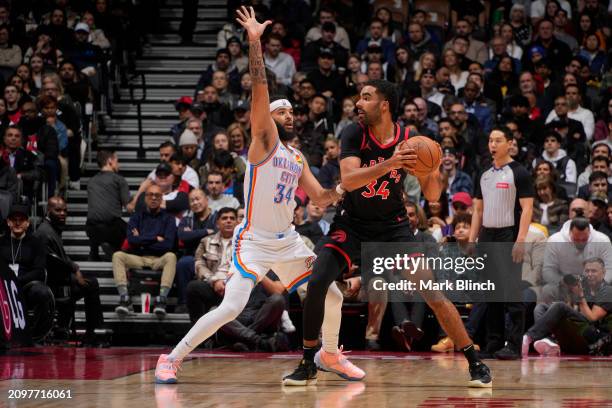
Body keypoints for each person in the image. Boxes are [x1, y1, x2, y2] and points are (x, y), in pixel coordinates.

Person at [154, 7, 343, 385]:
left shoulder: (297, 155)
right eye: (281, 110)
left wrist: (345, 187)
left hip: (287, 240)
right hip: (253, 241)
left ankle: (330, 354)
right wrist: (254, 43)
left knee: (333, 295)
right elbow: (260, 87)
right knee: (232, 306)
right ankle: (171, 358)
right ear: (266, 119)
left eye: (292, 111)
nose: (289, 114)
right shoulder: (262, 144)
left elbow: (321, 198)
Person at [285, 77, 492, 386]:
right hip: (351, 223)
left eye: (365, 97)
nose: (358, 102)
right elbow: (350, 179)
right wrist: (391, 162)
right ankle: (308, 361)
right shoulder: (355, 132)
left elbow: (433, 196)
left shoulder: (410, 140)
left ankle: (474, 362)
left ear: (384, 105)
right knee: (317, 282)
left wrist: (429, 169)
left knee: (431, 291)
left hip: (393, 228)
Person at [469, 127, 535, 360]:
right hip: (487, 235)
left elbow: (527, 208)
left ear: (510, 143)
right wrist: (471, 239)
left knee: (510, 292)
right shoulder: (484, 173)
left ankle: (514, 346)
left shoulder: (520, 172)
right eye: (490, 140)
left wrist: (520, 240)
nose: (493, 144)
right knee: (491, 293)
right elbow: (478, 210)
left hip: (509, 234)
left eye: (498, 140)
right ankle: (493, 343)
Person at [35, 197, 104, 344]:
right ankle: (93, 332)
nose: (63, 213)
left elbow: (61, 257)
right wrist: (73, 269)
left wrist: (75, 268)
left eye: (65, 210)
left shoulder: (51, 228)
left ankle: (92, 331)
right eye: (58, 210)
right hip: (55, 285)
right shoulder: (45, 232)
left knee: (91, 283)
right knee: (92, 284)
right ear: (48, 211)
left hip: (60, 279)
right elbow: (53, 261)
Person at [522, 258, 612, 357]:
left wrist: (580, 297)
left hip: (597, 339)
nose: (589, 274)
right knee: (541, 307)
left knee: (559, 306)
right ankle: (546, 341)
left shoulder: (607, 291)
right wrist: (570, 295)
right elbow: (573, 314)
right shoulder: (585, 288)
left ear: (603, 273)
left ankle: (528, 337)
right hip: (580, 332)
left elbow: (592, 318)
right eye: (587, 271)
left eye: (593, 271)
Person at [0, 205, 53, 341]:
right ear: (8, 222)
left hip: (26, 286)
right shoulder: (1, 242)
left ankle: (35, 335)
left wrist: (19, 280)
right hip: (4, 289)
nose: (18, 223)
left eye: (21, 220)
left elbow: (39, 270)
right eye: (14, 219)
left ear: (28, 223)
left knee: (42, 293)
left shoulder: (36, 243)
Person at [86, 150, 129, 261]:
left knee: (95, 221)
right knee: (131, 230)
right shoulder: (118, 179)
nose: (118, 164)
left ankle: (94, 252)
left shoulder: (91, 181)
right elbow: (129, 207)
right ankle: (115, 250)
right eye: (117, 161)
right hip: (111, 229)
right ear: (110, 161)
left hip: (91, 228)